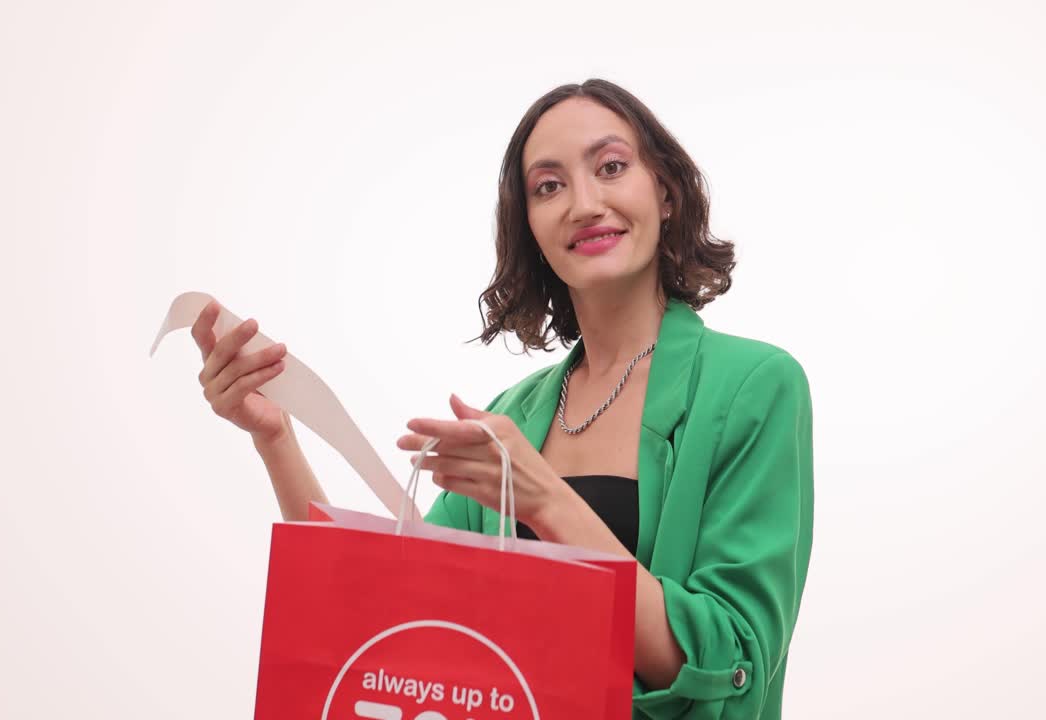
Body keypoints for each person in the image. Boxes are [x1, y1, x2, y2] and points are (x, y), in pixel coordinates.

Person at [190, 78, 813, 719]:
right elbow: (391, 616)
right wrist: (276, 435)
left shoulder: (754, 385)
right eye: (549, 186)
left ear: (665, 191)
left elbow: (731, 661)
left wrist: (544, 497)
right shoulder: (515, 415)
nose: (584, 202)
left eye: (612, 167)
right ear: (531, 229)